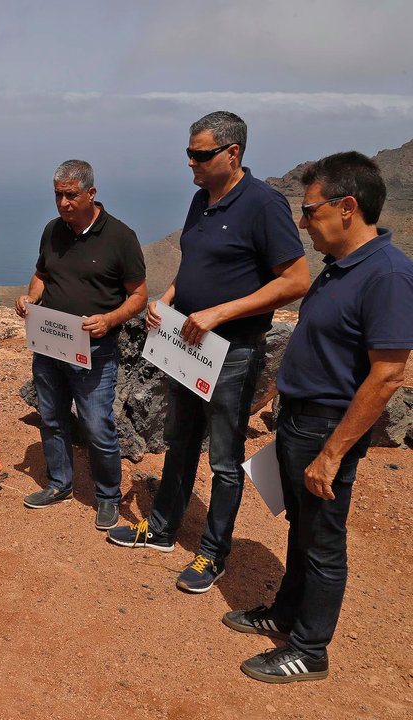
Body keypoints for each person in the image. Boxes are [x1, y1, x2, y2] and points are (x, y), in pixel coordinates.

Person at [224, 152, 413, 683]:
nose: (303, 223)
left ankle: (310, 650)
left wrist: (332, 453)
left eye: (309, 211)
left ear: (347, 207)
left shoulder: (390, 275)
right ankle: (287, 614)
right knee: (302, 530)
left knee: (324, 540)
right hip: (300, 422)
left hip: (329, 428)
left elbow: (387, 376)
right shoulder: (341, 268)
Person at [108, 111, 310, 593]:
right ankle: (160, 529)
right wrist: (170, 299)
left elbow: (296, 280)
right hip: (183, 341)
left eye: (200, 155)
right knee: (179, 440)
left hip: (233, 350)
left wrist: (220, 313)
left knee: (224, 457)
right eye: (188, 154)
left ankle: (212, 554)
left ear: (232, 153)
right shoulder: (202, 199)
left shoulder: (264, 204)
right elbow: (194, 262)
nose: (191, 164)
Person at [15, 160, 147, 529]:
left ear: (91, 193)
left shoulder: (120, 236)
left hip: (95, 350)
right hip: (49, 343)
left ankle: (108, 496)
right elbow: (42, 274)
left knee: (96, 424)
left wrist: (109, 320)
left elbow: (138, 295)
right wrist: (30, 299)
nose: (62, 203)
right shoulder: (52, 231)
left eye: (70, 195)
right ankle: (60, 484)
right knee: (52, 417)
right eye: (57, 195)